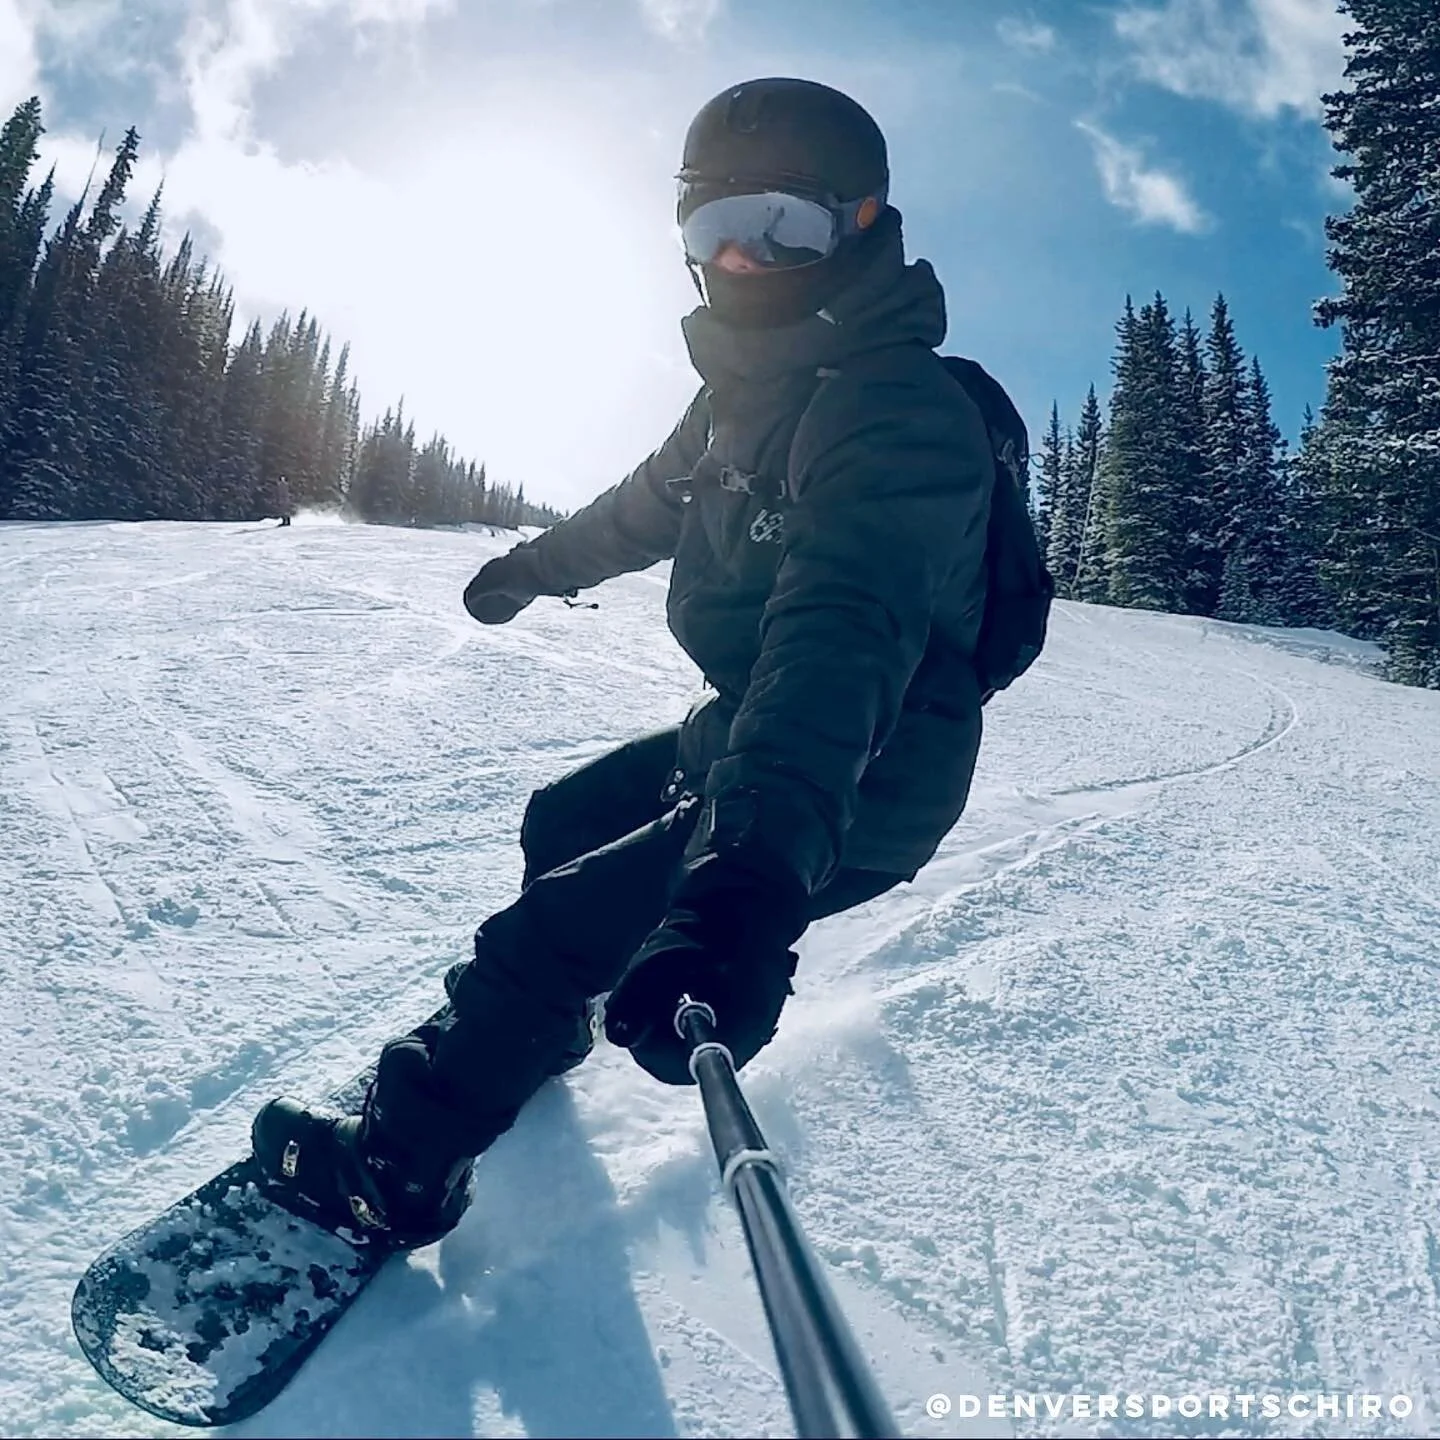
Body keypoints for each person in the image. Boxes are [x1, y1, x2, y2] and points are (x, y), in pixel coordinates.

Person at [252, 77, 1010, 1248]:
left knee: (550, 930)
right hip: (752, 722)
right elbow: (638, 510)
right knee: (565, 819)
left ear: (863, 225)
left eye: (785, 226)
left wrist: (746, 883)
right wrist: (528, 570)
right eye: (716, 231)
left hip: (865, 762)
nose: (745, 262)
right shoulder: (730, 406)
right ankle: (538, 1029)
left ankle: (395, 1173)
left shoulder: (896, 410)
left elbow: (842, 633)